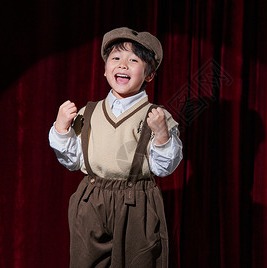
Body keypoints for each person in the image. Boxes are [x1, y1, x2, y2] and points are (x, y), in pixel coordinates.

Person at [48, 27, 183, 268]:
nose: (123, 65)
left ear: (149, 75)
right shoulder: (88, 113)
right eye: (116, 58)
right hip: (92, 199)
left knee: (139, 261)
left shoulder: (156, 115)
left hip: (137, 201)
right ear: (105, 69)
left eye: (133, 60)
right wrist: (61, 128)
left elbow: (164, 168)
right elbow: (73, 160)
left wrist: (161, 133)